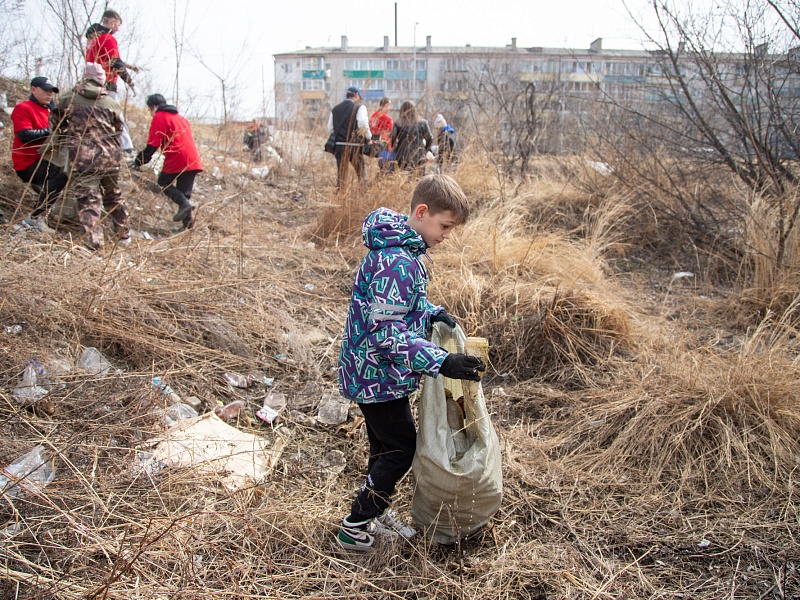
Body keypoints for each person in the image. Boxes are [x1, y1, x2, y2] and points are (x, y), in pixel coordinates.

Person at [336, 174, 484, 552]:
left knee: (385, 448)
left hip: (377, 373)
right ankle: (356, 525)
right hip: (376, 376)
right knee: (401, 449)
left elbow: (400, 307)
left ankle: (377, 509)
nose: (447, 235)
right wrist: (441, 362)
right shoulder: (395, 261)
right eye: (445, 226)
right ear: (422, 212)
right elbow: (387, 333)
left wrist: (432, 313)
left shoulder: (403, 251)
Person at [50, 63, 129, 249]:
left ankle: (95, 243)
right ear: (101, 80)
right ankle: (124, 235)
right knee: (113, 195)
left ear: (85, 77)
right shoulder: (110, 102)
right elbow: (119, 128)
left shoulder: (69, 98)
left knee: (88, 199)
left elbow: (55, 123)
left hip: (83, 157)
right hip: (110, 157)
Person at [132, 94, 203, 230]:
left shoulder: (160, 116)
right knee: (184, 193)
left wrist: (138, 161)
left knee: (163, 183)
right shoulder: (181, 118)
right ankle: (187, 227)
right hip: (193, 159)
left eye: (149, 110)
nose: (150, 113)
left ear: (154, 107)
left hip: (178, 157)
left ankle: (184, 206)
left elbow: (152, 144)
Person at [10, 76, 68, 226]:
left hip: (49, 159)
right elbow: (24, 135)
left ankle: (62, 217)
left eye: (51, 91)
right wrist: (51, 131)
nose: (49, 94)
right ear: (33, 90)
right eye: (46, 90)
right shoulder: (23, 108)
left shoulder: (51, 110)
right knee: (60, 176)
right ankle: (34, 219)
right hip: (28, 163)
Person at [85, 9, 138, 153]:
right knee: (116, 116)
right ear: (112, 22)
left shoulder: (92, 39)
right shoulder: (108, 38)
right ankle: (127, 149)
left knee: (96, 117)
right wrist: (130, 82)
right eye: (118, 25)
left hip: (90, 84)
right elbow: (115, 62)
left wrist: (129, 66)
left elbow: (105, 57)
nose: (118, 29)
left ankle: (100, 148)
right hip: (107, 84)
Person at [327, 86, 371, 189]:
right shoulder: (360, 107)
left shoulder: (335, 109)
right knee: (361, 174)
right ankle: (363, 192)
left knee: (341, 176)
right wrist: (368, 137)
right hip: (354, 146)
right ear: (356, 95)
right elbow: (362, 124)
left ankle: (340, 194)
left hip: (339, 146)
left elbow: (330, 128)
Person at [390, 100, 433, 173]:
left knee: (403, 176)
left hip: (402, 155)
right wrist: (425, 150)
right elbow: (430, 138)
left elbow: (392, 136)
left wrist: (394, 147)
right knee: (419, 177)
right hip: (419, 155)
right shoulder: (423, 122)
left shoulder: (398, 123)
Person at [369, 97, 394, 169]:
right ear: (385, 105)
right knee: (386, 165)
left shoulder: (373, 116)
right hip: (384, 144)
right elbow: (391, 131)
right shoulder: (388, 119)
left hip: (373, 143)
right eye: (388, 106)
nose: (389, 108)